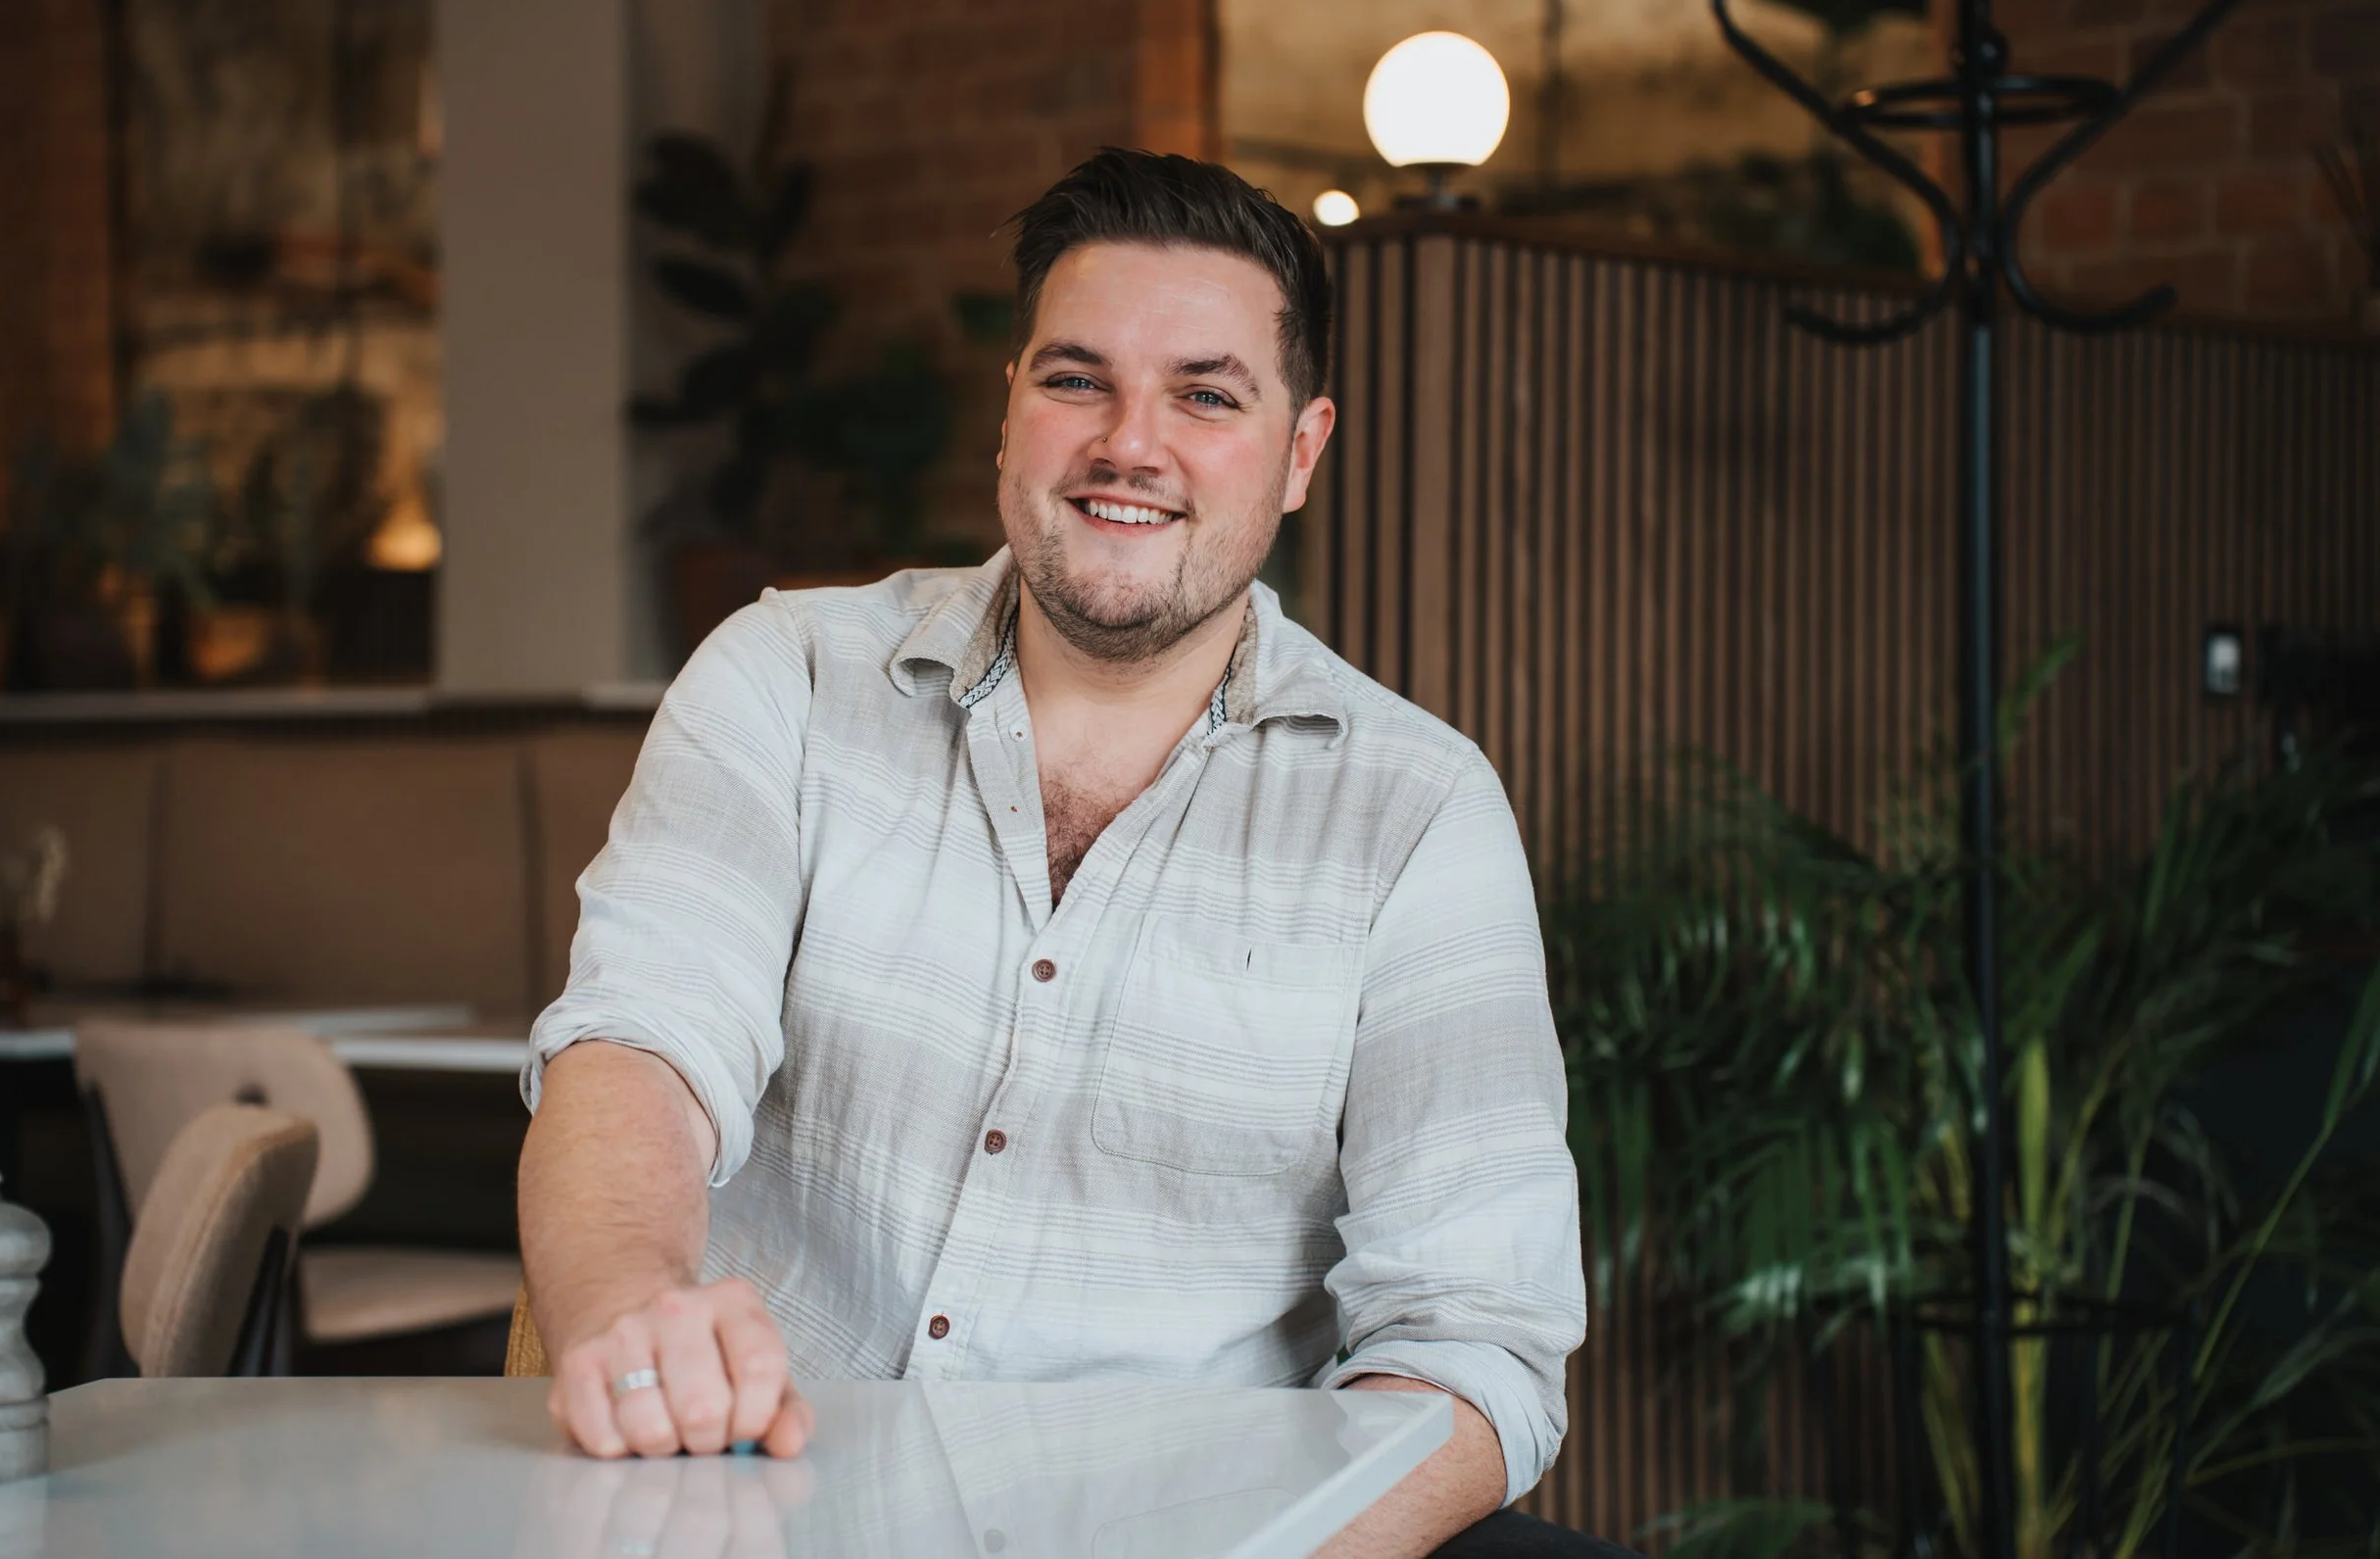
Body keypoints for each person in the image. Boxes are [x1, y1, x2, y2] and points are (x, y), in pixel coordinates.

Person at [518, 149, 1612, 1559]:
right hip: (758, 1513)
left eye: (1206, 394)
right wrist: (629, 1308)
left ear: (1300, 453)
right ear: (1010, 415)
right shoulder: (784, 677)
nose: (1128, 444)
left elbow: (1472, 1343)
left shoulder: (1418, 814)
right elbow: (640, 1046)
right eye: (1076, 378)